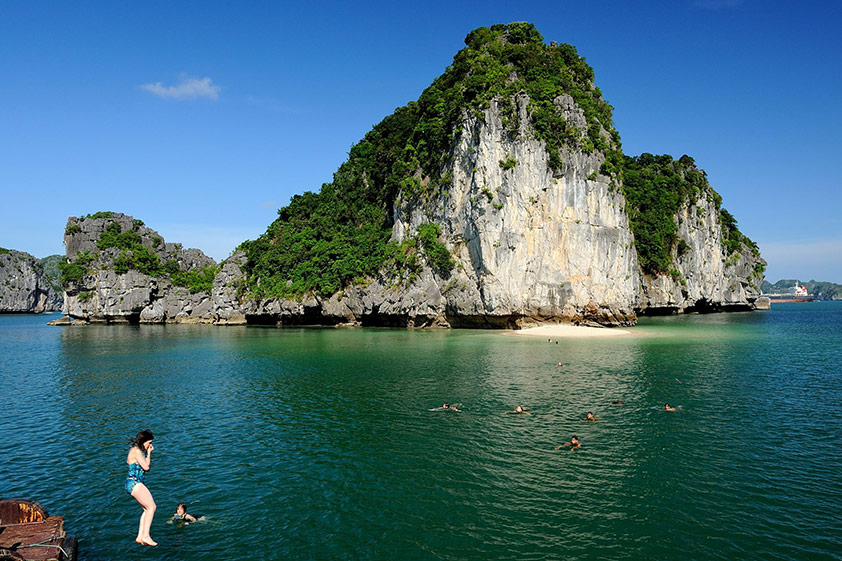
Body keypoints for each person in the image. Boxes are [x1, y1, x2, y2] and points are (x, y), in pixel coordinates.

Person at [126, 429, 157, 546]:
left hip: (132, 483)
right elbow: (146, 468)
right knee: (152, 507)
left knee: (146, 509)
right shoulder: (137, 451)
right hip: (135, 483)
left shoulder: (137, 451)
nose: (150, 445)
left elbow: (146, 465)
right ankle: (146, 535)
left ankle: (140, 536)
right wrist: (148, 453)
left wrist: (149, 453)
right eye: (149, 442)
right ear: (143, 441)